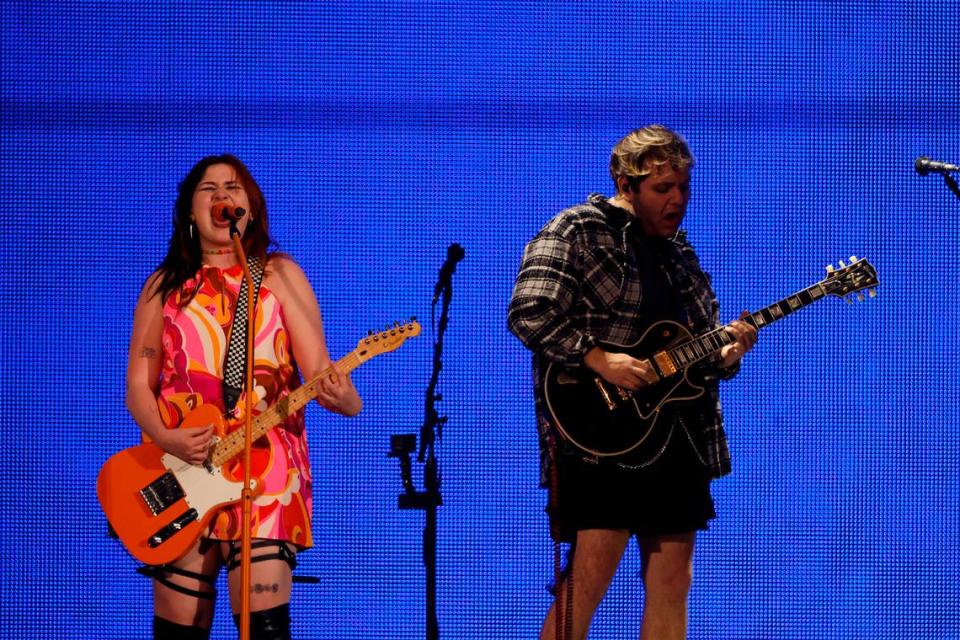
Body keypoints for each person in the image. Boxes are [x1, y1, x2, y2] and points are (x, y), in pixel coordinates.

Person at [507, 125, 757, 640]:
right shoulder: (576, 230)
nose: (677, 200)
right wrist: (599, 358)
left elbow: (698, 356)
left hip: (678, 436)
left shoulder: (679, 256)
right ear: (626, 184)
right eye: (663, 189)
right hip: (603, 437)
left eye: (683, 188)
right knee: (586, 585)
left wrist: (727, 353)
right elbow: (529, 312)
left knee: (672, 584)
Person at [126, 154, 362, 640]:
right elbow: (138, 386)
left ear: (250, 208)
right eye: (207, 188)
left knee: (265, 629)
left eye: (233, 187)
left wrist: (343, 396)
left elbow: (320, 371)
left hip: (267, 468)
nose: (221, 196)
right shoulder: (164, 286)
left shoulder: (278, 276)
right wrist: (168, 438)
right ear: (190, 212)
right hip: (183, 467)